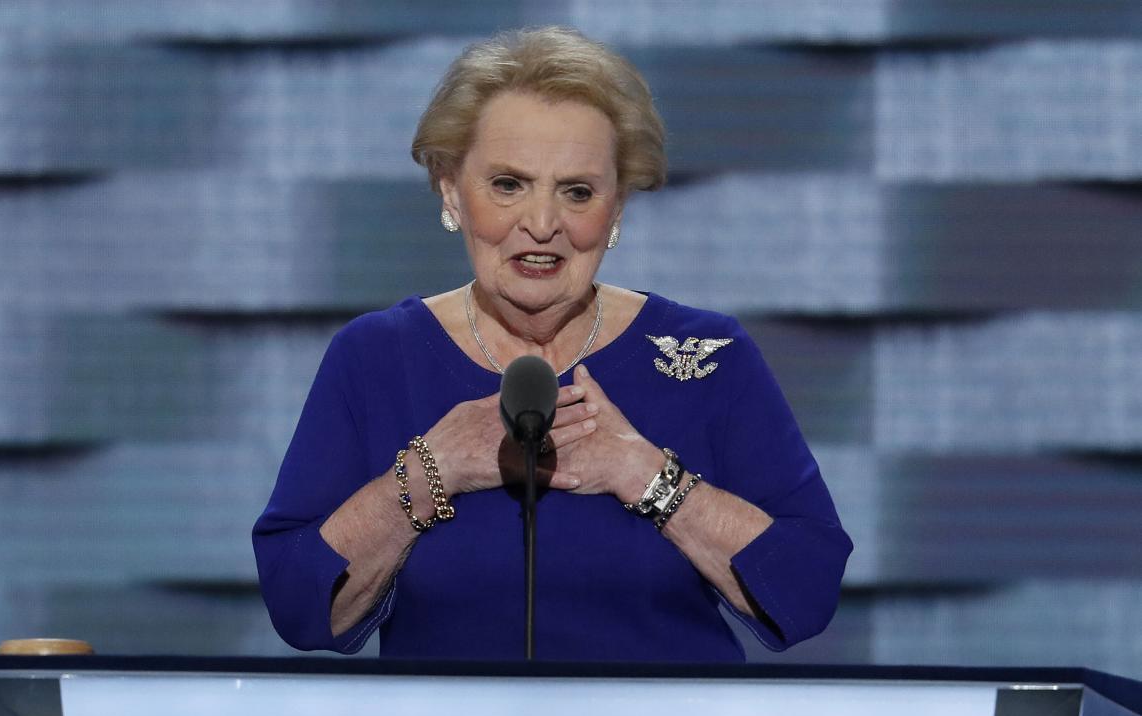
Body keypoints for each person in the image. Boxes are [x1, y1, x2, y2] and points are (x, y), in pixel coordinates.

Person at [253, 27, 851, 662]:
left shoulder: (706, 354)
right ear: (451, 189)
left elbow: (807, 588)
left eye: (578, 192)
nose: (542, 224)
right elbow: (298, 602)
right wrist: (436, 468)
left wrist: (644, 473)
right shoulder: (375, 358)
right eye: (508, 184)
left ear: (616, 206)